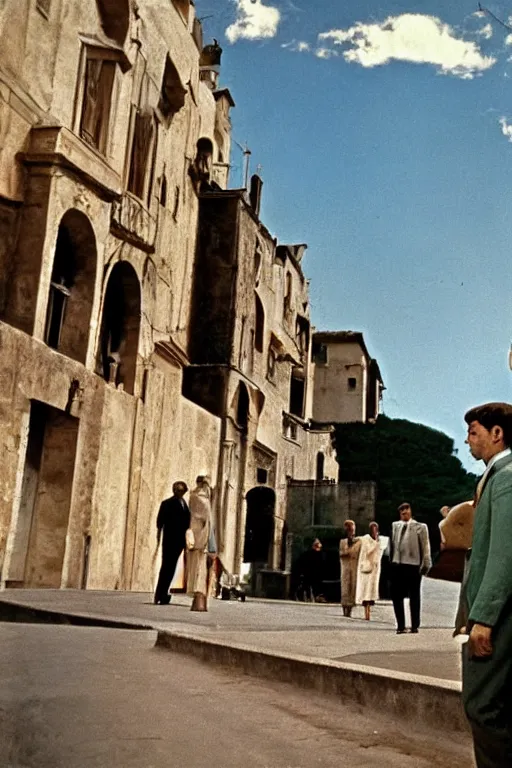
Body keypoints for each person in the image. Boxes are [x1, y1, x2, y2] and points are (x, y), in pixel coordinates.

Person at [461, 402, 512, 768]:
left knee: (482, 704)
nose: (467, 440)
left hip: (501, 616)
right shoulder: (496, 476)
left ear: (497, 434)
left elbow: (504, 551)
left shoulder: (506, 476)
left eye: (473, 431)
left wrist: (484, 617)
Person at [389, 502, 431, 634]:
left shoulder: (420, 527)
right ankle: (400, 625)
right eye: (401, 511)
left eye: (406, 510)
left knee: (414, 595)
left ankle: (414, 625)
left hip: (413, 564)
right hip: (398, 563)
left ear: (411, 511)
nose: (404, 513)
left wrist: (426, 564)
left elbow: (425, 546)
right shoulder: (396, 525)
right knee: (396, 595)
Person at [154, 481, 190, 605]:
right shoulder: (167, 504)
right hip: (170, 541)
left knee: (170, 568)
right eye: (179, 490)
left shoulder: (184, 504)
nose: (181, 493)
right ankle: (160, 594)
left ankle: (163, 593)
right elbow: (159, 523)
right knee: (166, 568)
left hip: (179, 541)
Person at [187, 475, 216, 612]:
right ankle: (199, 594)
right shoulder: (203, 500)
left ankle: (195, 592)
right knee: (200, 568)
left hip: (193, 535)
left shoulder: (192, 496)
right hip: (201, 536)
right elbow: (207, 522)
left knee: (194, 566)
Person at [356, 522, 386, 620]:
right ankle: (366, 613)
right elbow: (368, 551)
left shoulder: (378, 540)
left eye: (376, 529)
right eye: (373, 529)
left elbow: (380, 552)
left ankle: (369, 612)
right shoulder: (365, 539)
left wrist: (378, 543)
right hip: (366, 568)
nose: (375, 532)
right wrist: (376, 543)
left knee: (371, 591)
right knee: (366, 591)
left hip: (375, 569)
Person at [339, 520, 361, 617]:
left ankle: (350, 609)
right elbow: (342, 553)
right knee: (345, 587)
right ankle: (344, 607)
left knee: (353, 586)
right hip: (345, 566)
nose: (351, 532)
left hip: (354, 566)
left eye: (352, 529)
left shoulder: (358, 542)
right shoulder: (343, 542)